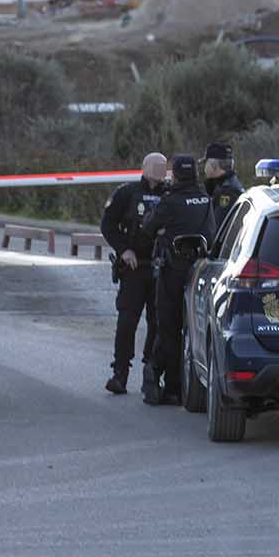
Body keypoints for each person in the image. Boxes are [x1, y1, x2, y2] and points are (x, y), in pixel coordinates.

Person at [139, 154, 214, 406]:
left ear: (175, 174)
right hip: (200, 270)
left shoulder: (170, 201)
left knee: (169, 327)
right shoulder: (205, 198)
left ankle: (171, 385)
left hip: (173, 270)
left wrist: (162, 229)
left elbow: (148, 228)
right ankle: (184, 384)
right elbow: (211, 235)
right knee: (194, 327)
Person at [98, 152, 167, 395]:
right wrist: (124, 249)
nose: (159, 171)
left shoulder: (170, 194)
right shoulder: (127, 193)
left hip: (161, 268)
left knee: (158, 323)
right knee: (127, 322)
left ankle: (152, 372)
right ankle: (120, 374)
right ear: (144, 167)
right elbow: (107, 225)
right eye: (154, 166)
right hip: (134, 269)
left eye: (163, 167)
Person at [203, 142, 244, 230]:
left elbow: (215, 229)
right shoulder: (229, 184)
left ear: (213, 165)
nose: (204, 167)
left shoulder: (227, 192)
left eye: (205, 163)